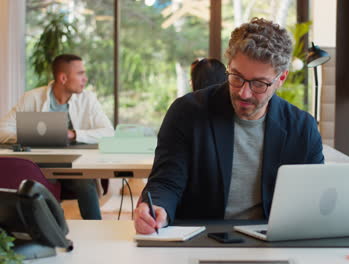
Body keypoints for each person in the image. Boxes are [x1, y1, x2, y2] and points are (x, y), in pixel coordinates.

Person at [134, 18, 324, 234]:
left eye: (259, 84)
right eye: (237, 77)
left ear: (281, 78)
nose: (244, 93)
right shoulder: (187, 113)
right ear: (229, 66)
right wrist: (157, 208)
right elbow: (167, 182)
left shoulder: (302, 128)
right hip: (199, 239)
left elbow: (313, 200)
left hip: (272, 241)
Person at [0, 54, 114, 220]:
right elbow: (2, 129)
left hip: (74, 165)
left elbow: (108, 132)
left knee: (84, 182)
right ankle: (51, 229)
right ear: (63, 78)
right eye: (80, 74)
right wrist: (29, 134)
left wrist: (74, 134)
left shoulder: (88, 99)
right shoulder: (31, 98)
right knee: (42, 187)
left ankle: (95, 224)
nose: (85, 78)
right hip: (40, 166)